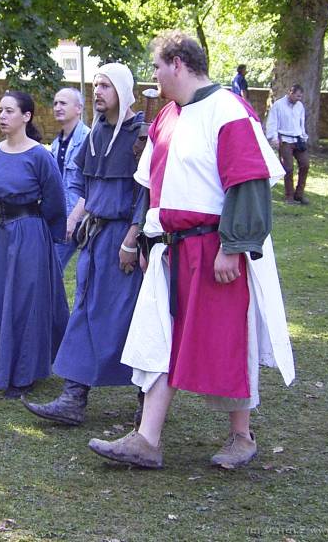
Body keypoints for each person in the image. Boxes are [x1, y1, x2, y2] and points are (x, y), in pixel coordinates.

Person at [87, 30, 295, 470]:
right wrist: (147, 238)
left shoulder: (228, 110)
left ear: (177, 64)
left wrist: (232, 247)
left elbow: (248, 182)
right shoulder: (167, 116)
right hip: (171, 250)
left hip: (216, 248)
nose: (155, 76)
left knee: (228, 340)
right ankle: (147, 439)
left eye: (157, 67)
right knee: (160, 338)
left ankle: (242, 436)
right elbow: (152, 185)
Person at [22, 63, 146, 425]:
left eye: (106, 85)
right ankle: (73, 398)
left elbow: (148, 193)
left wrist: (132, 239)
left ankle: (149, 402)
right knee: (85, 313)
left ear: (122, 90)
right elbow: (79, 182)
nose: (98, 91)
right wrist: (77, 214)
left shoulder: (142, 135)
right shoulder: (95, 136)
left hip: (126, 242)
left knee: (131, 318)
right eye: (96, 84)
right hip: (95, 239)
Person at [0, 91, 69, 398]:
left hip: (30, 234)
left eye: (9, 111)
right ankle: (0, 365)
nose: (2, 116)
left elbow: (55, 200)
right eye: (0, 111)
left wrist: (45, 238)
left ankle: (24, 373)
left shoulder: (40, 156)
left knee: (25, 302)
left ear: (26, 116)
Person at [50, 87, 91, 271]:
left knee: (51, 269)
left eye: (63, 103)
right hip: (62, 219)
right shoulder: (56, 144)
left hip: (82, 221)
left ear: (79, 108)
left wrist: (73, 219)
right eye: (55, 103)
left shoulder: (89, 139)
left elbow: (91, 187)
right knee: (49, 269)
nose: (57, 107)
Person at [265, 84, 310, 205]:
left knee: (305, 164)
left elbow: (301, 123)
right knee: (288, 168)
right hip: (284, 139)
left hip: (298, 139)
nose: (299, 99)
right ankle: (289, 196)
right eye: (297, 96)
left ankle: (299, 194)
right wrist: (274, 138)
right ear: (290, 92)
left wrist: (303, 136)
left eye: (300, 96)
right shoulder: (278, 105)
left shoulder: (300, 106)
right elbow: (272, 122)